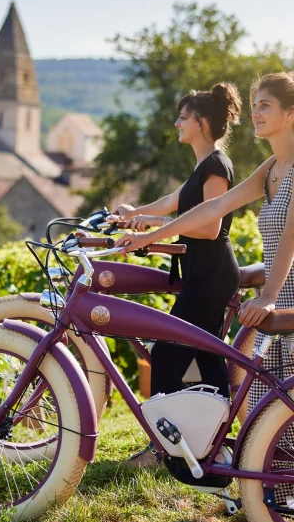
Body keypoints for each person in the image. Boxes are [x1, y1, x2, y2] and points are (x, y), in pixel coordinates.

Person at [118, 72, 294, 486]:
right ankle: (272, 504)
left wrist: (268, 295)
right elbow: (212, 209)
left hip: (285, 298)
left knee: (279, 408)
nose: (256, 111)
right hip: (279, 294)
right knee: (270, 413)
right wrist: (149, 233)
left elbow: (290, 236)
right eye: (255, 103)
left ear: (291, 113)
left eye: (265, 104)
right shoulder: (271, 169)